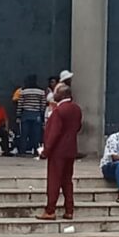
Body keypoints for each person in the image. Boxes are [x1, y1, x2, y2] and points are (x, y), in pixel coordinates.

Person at [38, 83, 82, 220]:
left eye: (56, 92)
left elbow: (54, 133)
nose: (53, 95)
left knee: (54, 180)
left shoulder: (59, 111)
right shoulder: (76, 109)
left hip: (58, 151)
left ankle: (50, 210)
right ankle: (69, 210)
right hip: (71, 149)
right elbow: (78, 127)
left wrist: (46, 151)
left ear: (62, 95)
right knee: (67, 181)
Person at [17, 75, 47, 155]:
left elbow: (20, 104)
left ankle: (22, 151)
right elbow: (43, 104)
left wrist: (18, 114)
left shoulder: (23, 91)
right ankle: (36, 151)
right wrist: (41, 113)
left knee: (24, 134)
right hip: (36, 114)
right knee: (36, 133)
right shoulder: (41, 91)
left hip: (26, 113)